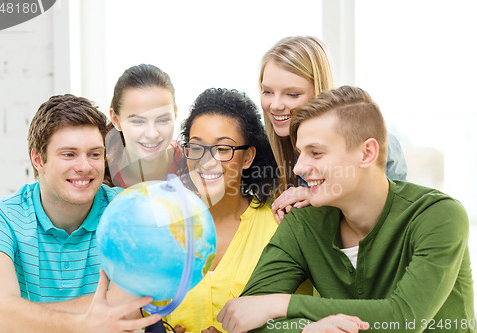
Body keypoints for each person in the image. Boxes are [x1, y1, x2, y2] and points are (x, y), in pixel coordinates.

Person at [217, 86, 475, 333]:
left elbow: (404, 319)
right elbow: (247, 316)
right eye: (300, 154)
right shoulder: (302, 223)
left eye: (316, 153)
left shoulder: (439, 215)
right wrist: (306, 329)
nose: (298, 169)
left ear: (366, 153)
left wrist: (281, 304)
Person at [0, 94, 160, 332]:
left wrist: (20, 312)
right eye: (69, 154)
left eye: (94, 154)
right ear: (38, 160)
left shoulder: (128, 211)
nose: (84, 166)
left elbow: (127, 308)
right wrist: (84, 323)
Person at [164, 88, 279, 333]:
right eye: (196, 148)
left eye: (223, 149)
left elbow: (300, 321)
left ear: (247, 158)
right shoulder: (164, 230)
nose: (207, 161)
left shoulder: (277, 230)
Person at [259, 36, 408, 222]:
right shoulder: (261, 150)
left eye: (292, 94)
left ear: (320, 92)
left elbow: (393, 221)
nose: (275, 105)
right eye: (267, 92)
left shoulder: (379, 144)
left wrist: (315, 194)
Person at [106, 63, 182, 188]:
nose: (152, 134)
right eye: (138, 121)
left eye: (162, 120)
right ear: (116, 120)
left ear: (175, 115)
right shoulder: (101, 178)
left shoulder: (195, 164)